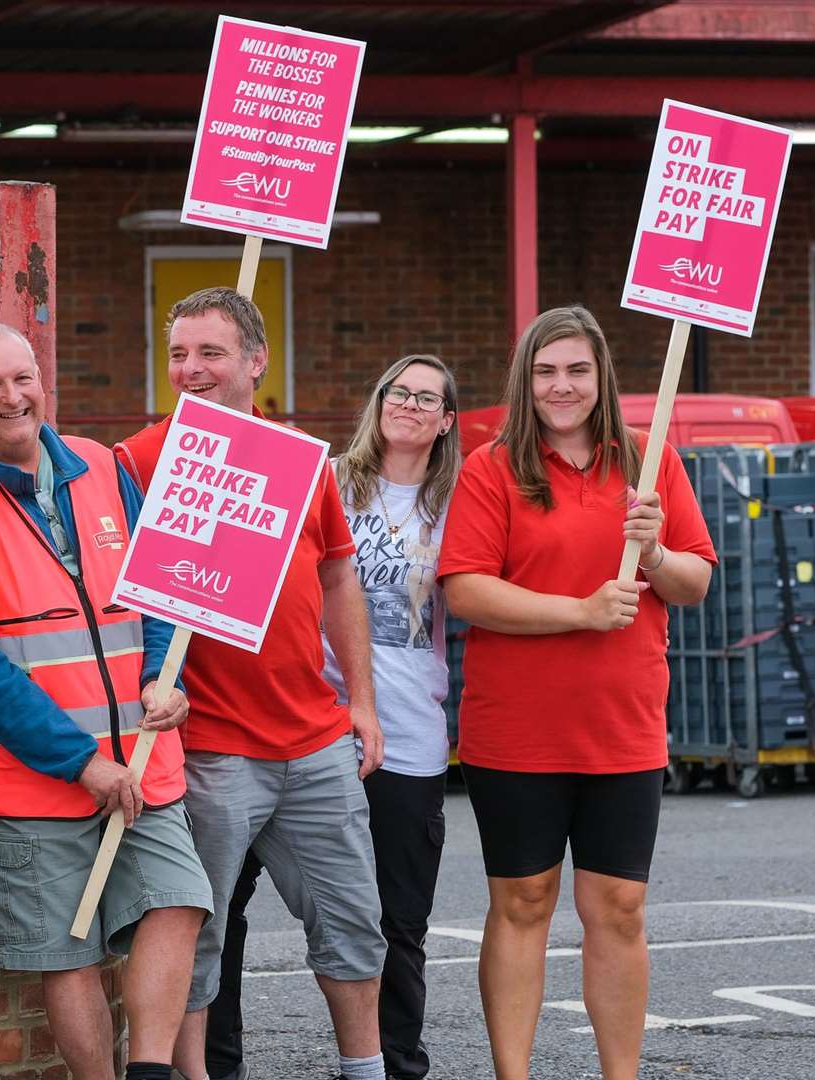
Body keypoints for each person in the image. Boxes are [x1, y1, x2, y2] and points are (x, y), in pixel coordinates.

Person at [0, 323, 212, 1080]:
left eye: (23, 378)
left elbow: (161, 591)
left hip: (141, 758)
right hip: (30, 780)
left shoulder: (104, 469)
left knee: (179, 903)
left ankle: (148, 1071)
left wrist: (161, 678)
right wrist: (80, 764)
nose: (14, 397)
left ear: (42, 381)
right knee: (64, 951)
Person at [115, 287, 389, 1080]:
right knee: (192, 930)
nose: (191, 370)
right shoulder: (137, 461)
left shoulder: (300, 459)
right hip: (205, 748)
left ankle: (363, 1069)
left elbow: (340, 578)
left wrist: (362, 704)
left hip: (313, 739)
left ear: (257, 362)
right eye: (178, 354)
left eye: (211, 353)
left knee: (352, 922)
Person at [439, 306, 714, 1080]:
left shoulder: (650, 460)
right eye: (546, 371)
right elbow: (465, 590)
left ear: (603, 377)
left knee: (618, 910)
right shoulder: (491, 468)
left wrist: (655, 552)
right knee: (523, 902)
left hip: (623, 725)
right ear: (526, 380)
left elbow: (694, 580)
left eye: (577, 370)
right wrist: (582, 613)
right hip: (517, 729)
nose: (562, 386)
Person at [325, 354, 461, 1079]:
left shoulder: (459, 504)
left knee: (399, 921)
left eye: (425, 398)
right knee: (240, 904)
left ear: (445, 422)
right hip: (311, 727)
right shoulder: (328, 482)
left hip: (408, 733)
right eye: (397, 391)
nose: (408, 404)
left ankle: (395, 1065)